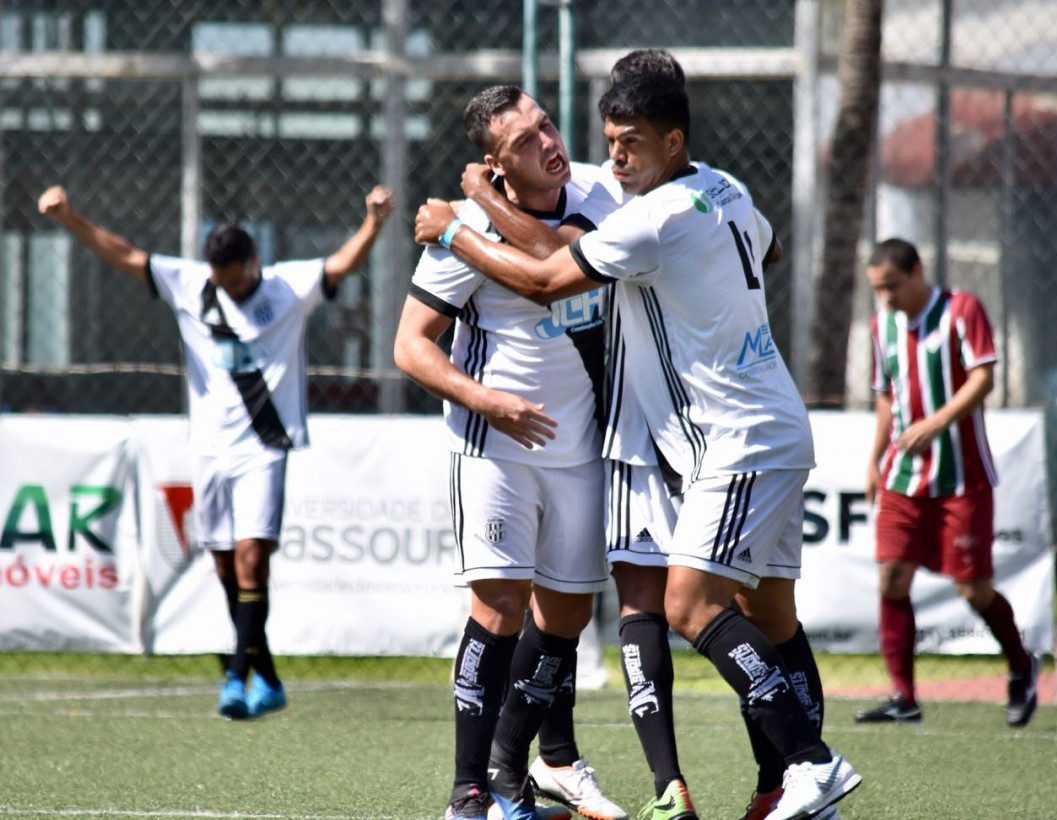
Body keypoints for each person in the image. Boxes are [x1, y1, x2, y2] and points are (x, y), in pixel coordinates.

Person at [414, 73, 862, 820]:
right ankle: (782, 785)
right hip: (773, 422)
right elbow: (769, 249)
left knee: (688, 604)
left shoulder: (647, 219)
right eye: (610, 142)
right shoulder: (724, 188)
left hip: (732, 433)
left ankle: (810, 763)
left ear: (672, 141)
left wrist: (460, 223)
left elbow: (546, 277)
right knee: (772, 615)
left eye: (631, 145)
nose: (612, 159)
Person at [37, 182, 396, 719]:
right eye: (221, 282)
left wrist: (374, 221)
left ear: (254, 263)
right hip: (208, 448)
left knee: (253, 561)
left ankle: (235, 674)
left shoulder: (286, 287)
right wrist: (70, 218)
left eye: (237, 279)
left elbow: (341, 264)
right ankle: (268, 678)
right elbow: (124, 254)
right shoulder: (190, 284)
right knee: (226, 568)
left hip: (264, 446)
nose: (230, 288)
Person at [393, 85, 625, 820]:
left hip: (581, 443)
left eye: (547, 124)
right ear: (494, 163)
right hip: (495, 445)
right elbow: (409, 346)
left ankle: (515, 772)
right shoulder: (460, 229)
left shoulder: (593, 190)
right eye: (524, 141)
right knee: (498, 604)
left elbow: (556, 254)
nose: (548, 142)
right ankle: (469, 791)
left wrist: (471, 213)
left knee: (567, 615)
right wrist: (488, 401)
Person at [856, 237, 1040, 727]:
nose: (887, 297)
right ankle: (903, 696)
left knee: (972, 588)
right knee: (892, 577)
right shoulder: (882, 326)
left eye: (893, 286)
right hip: (901, 477)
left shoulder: (962, 309)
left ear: (917, 272)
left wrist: (937, 422)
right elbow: (885, 397)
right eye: (878, 289)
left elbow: (983, 377)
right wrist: (875, 460)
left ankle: (1022, 666)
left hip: (961, 478)